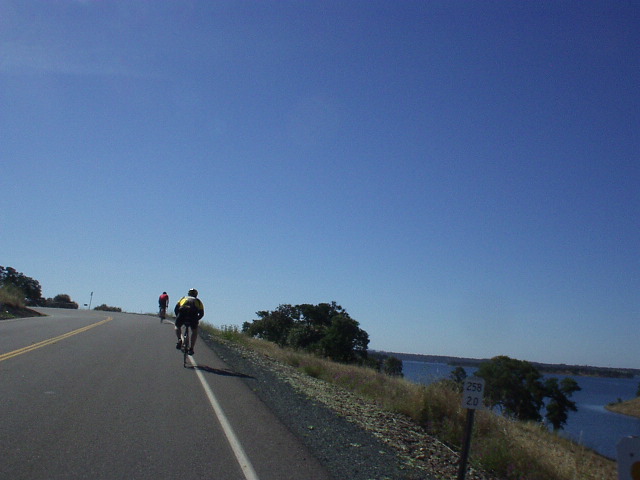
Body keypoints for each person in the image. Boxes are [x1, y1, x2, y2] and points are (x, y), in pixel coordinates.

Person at [174, 288, 204, 355]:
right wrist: (197, 319)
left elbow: (176, 309)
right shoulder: (198, 301)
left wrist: (177, 317)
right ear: (196, 294)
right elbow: (201, 313)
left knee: (177, 326)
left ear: (188, 293)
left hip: (182, 314)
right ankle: (191, 348)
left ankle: (179, 339)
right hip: (193, 316)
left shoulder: (183, 298)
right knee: (194, 331)